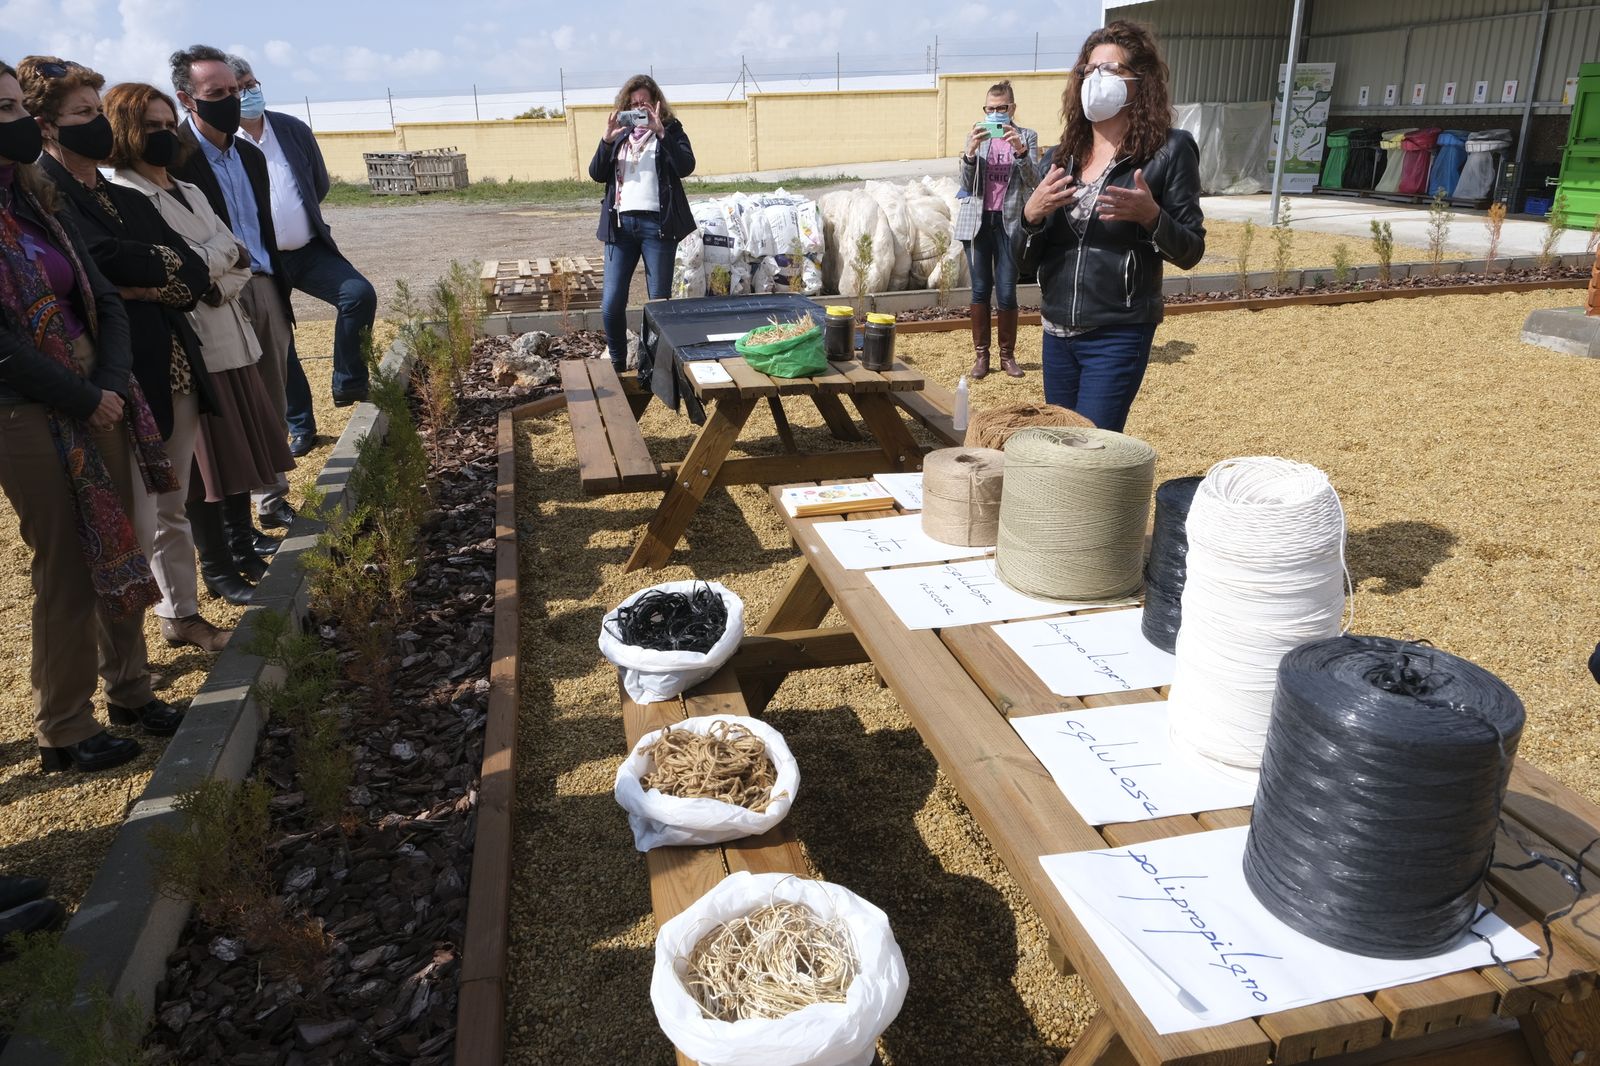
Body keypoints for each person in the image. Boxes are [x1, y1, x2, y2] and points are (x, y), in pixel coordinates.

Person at [0, 59, 184, 768]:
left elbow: (99, 293)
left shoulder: (33, 196)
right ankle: (64, 728)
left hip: (97, 397)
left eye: (19, 107)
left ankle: (130, 691)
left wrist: (108, 378)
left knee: (121, 546)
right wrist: (82, 394)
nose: (23, 123)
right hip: (26, 412)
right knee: (71, 568)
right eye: (7, 111)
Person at [20, 56, 232, 653]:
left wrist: (144, 276)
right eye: (83, 113)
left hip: (174, 364)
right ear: (46, 126)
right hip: (119, 376)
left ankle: (180, 615)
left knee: (172, 504)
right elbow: (98, 269)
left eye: (97, 110)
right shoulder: (47, 196)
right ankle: (125, 664)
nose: (97, 124)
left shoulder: (121, 195)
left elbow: (188, 270)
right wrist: (140, 275)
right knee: (131, 521)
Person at [107, 81, 296, 608]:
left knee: (237, 454)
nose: (164, 135)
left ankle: (240, 545)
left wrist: (209, 268)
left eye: (168, 125)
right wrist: (210, 265)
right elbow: (180, 269)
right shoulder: (126, 197)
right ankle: (217, 565)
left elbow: (236, 256)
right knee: (204, 473)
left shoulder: (187, 190)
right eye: (150, 126)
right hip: (193, 347)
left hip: (229, 336)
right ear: (124, 130)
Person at [1017, 21, 1205, 433]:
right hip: (1056, 330)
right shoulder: (1061, 155)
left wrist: (1151, 217)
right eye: (1090, 70)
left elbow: (1191, 250)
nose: (1097, 79)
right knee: (1062, 445)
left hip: (1117, 331)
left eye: (1113, 70)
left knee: (1094, 448)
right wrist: (1031, 216)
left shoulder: (1169, 151)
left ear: (1141, 82)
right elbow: (1020, 266)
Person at [166, 44, 297, 538]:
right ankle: (231, 524)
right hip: (215, 300)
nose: (231, 99)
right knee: (227, 409)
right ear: (187, 98)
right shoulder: (175, 157)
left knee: (272, 395)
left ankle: (272, 496)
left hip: (263, 288)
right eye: (216, 92)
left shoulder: (248, 155)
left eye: (237, 89)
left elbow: (261, 228)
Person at [230, 53, 376, 451]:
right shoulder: (221, 143)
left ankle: (348, 383)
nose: (247, 93)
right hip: (261, 262)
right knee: (282, 342)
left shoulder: (291, 129)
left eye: (251, 84)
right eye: (237, 88)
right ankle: (300, 425)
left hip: (309, 250)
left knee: (358, 294)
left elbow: (318, 183)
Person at [589, 74, 695, 376]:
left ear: (656, 102)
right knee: (611, 304)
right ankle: (619, 365)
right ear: (625, 105)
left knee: (659, 305)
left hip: (658, 228)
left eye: (645, 103)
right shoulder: (620, 135)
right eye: (633, 104)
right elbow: (597, 173)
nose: (639, 108)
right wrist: (607, 139)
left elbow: (686, 166)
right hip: (620, 227)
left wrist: (661, 131)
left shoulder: (671, 129)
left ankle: (652, 369)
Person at [958, 79, 1039, 380]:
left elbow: (1035, 181)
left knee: (1006, 291)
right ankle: (981, 356)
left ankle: (1008, 356)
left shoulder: (1027, 136)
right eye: (989, 109)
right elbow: (966, 186)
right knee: (980, 290)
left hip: (1010, 223)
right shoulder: (977, 136)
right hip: (978, 222)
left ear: (1012, 108)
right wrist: (969, 153)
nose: (994, 114)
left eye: (1000, 108)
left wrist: (1020, 151)